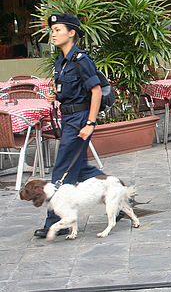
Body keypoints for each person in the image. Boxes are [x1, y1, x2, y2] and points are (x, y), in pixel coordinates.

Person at [34, 13, 105, 238]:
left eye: (57, 30)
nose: (53, 34)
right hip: (68, 118)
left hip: (79, 120)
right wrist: (55, 95)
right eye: (52, 31)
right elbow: (69, 90)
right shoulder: (61, 61)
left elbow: (96, 91)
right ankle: (118, 193)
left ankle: (56, 221)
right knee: (81, 169)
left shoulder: (81, 59)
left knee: (62, 170)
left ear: (71, 33)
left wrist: (91, 123)